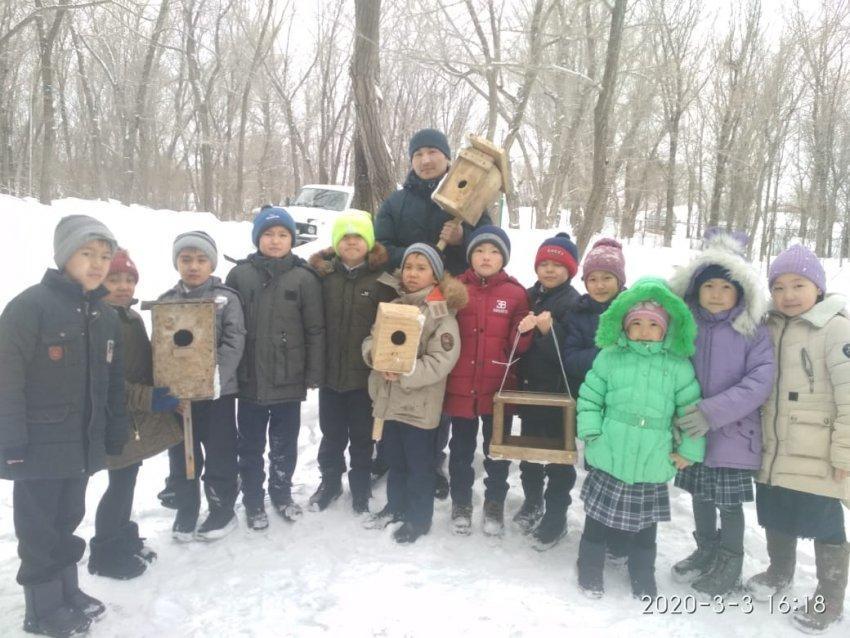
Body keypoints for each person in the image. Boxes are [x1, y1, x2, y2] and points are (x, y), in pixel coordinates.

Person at [0, 215, 127, 636]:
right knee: (38, 528)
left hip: (81, 444)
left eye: (104, 256)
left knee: (69, 518)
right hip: (37, 445)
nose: (97, 264)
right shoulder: (29, 307)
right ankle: (41, 610)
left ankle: (67, 592)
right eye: (86, 253)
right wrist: (10, 439)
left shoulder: (105, 315)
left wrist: (114, 429)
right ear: (64, 256)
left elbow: (113, 382)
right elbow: (6, 378)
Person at [373, 128, 493, 495]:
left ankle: (432, 459)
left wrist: (462, 238)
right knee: (394, 368)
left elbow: (487, 245)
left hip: (447, 303)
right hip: (405, 299)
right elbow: (382, 246)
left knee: (435, 378)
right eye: (418, 154)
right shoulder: (396, 203)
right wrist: (418, 256)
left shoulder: (469, 198)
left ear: (447, 158)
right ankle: (388, 452)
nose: (425, 160)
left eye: (432, 152)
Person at [575, 277, 705, 599]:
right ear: (624, 325)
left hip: (653, 457)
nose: (644, 331)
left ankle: (642, 571)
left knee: (646, 526)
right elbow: (590, 397)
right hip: (610, 450)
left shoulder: (678, 366)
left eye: (653, 324)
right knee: (597, 518)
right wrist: (591, 430)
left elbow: (690, 411)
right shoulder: (610, 357)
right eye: (636, 323)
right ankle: (589, 565)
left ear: (666, 328)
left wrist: (689, 450)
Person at [745, 244, 850, 633]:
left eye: (798, 285)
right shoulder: (769, 325)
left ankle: (830, 597)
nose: (788, 295)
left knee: (825, 522)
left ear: (817, 288)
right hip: (775, 445)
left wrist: (844, 454)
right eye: (779, 287)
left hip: (818, 450)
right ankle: (779, 571)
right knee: (775, 509)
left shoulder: (836, 328)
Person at [667, 229, 775, 598]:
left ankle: (730, 562)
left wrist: (710, 412)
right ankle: (706, 549)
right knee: (700, 495)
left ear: (740, 292)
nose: (716, 293)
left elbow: (759, 382)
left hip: (734, 434)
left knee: (728, 504)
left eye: (725, 287)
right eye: (709, 285)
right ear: (696, 288)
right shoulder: (686, 326)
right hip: (692, 433)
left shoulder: (751, 331)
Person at [225, 207, 324, 529]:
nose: (275, 240)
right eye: (268, 234)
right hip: (250, 378)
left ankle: (281, 494)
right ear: (257, 238)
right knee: (250, 445)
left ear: (292, 240)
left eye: (283, 234)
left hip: (288, 377)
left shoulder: (304, 277)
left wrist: (313, 372)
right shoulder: (240, 275)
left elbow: (315, 329)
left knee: (284, 445)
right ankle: (253, 500)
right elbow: (227, 326)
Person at [362, 243, 466, 543]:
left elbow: (441, 360)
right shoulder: (394, 305)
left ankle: (418, 519)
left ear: (435, 275)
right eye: (408, 267)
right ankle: (396, 506)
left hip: (419, 407)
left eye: (421, 268)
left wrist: (405, 372)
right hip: (390, 401)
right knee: (395, 460)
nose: (412, 273)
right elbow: (372, 338)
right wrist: (376, 357)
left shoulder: (440, 313)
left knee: (419, 467)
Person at [89, 249, 183, 579]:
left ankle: (124, 538)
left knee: (128, 478)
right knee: (119, 484)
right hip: (114, 419)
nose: (123, 286)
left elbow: (145, 364)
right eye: (114, 279)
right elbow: (105, 381)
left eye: (129, 280)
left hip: (133, 419)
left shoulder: (131, 317)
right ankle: (104, 554)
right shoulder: (99, 322)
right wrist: (149, 398)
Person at [444, 226, 532, 536]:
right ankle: (461, 501)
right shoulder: (455, 287)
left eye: (494, 252)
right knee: (461, 450)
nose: (486, 257)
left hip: (498, 389)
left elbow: (519, 347)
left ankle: (494, 502)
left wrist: (525, 331)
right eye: (480, 251)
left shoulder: (516, 293)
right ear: (470, 256)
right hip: (461, 386)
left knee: (497, 451)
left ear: (503, 258)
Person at [308, 211, 396, 514]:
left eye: (358, 236)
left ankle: (360, 486)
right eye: (344, 237)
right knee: (331, 435)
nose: (351, 242)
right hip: (330, 375)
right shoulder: (323, 276)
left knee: (362, 436)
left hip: (364, 378)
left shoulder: (382, 280)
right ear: (336, 243)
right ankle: (330, 482)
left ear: (368, 241)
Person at [160, 231, 246, 541]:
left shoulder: (226, 299)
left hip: (217, 391)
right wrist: (170, 385)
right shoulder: (167, 301)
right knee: (182, 451)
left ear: (211, 263)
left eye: (200, 260)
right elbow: (161, 346)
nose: (193, 266)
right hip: (180, 395)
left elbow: (234, 340)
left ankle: (222, 509)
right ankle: (186, 508)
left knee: (220, 449)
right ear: (177, 263)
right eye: (186, 260)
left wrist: (212, 377)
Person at [513, 233, 581, 549]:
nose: (550, 270)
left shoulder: (574, 303)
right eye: (544, 264)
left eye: (558, 265)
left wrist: (547, 330)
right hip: (529, 390)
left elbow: (569, 354)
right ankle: (532, 501)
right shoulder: (528, 296)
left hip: (558, 396)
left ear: (570, 270)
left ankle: (556, 517)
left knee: (558, 460)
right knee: (529, 453)